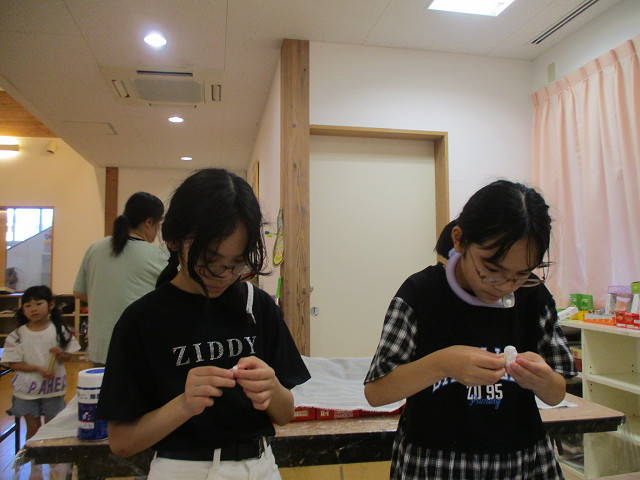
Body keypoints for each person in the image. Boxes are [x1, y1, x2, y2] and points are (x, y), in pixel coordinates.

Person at [96, 168, 310, 480]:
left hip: (260, 466)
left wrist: (272, 389)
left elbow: (285, 413)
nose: (225, 275)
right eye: (210, 261)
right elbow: (121, 442)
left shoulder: (258, 307)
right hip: (182, 469)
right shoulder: (142, 320)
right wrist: (184, 404)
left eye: (237, 263)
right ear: (173, 240)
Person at [364, 179, 578, 480]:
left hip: (520, 458)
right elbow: (376, 392)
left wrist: (542, 380)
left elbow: (557, 393)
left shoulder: (534, 297)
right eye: (491, 270)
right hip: (435, 461)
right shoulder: (421, 293)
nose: (504, 286)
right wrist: (443, 363)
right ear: (460, 240)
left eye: (521, 274)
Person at [73, 191, 167, 366]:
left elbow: (79, 293)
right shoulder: (159, 255)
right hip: (138, 348)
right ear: (149, 223)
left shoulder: (95, 248)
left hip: (100, 349)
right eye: (158, 224)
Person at [1, 285, 81, 440]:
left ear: (51, 305)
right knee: (33, 429)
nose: (33, 309)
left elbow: (69, 356)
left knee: (52, 428)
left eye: (38, 304)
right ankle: (34, 456)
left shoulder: (59, 330)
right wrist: (37, 369)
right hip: (26, 391)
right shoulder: (17, 335)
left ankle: (51, 455)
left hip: (53, 389)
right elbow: (13, 364)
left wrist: (61, 354)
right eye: (28, 306)